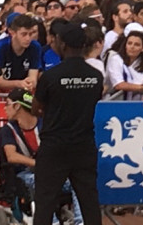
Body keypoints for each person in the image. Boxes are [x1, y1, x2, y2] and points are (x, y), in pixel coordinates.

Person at [32, 20, 103, 225]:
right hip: (83, 145)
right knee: (89, 200)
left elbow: (36, 108)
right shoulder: (96, 76)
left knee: (45, 201)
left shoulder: (51, 76)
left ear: (62, 44)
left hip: (54, 145)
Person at [0, 88, 84, 225]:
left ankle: (80, 222)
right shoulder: (8, 130)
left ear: (17, 105)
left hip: (51, 172)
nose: (5, 108)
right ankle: (52, 222)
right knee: (42, 180)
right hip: (24, 175)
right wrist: (37, 164)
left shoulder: (45, 125)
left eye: (7, 104)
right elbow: (12, 156)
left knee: (78, 181)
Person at [103, 24, 143, 99]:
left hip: (137, 105)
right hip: (116, 104)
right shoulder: (115, 59)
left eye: (137, 45)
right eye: (129, 43)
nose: (132, 47)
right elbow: (119, 84)